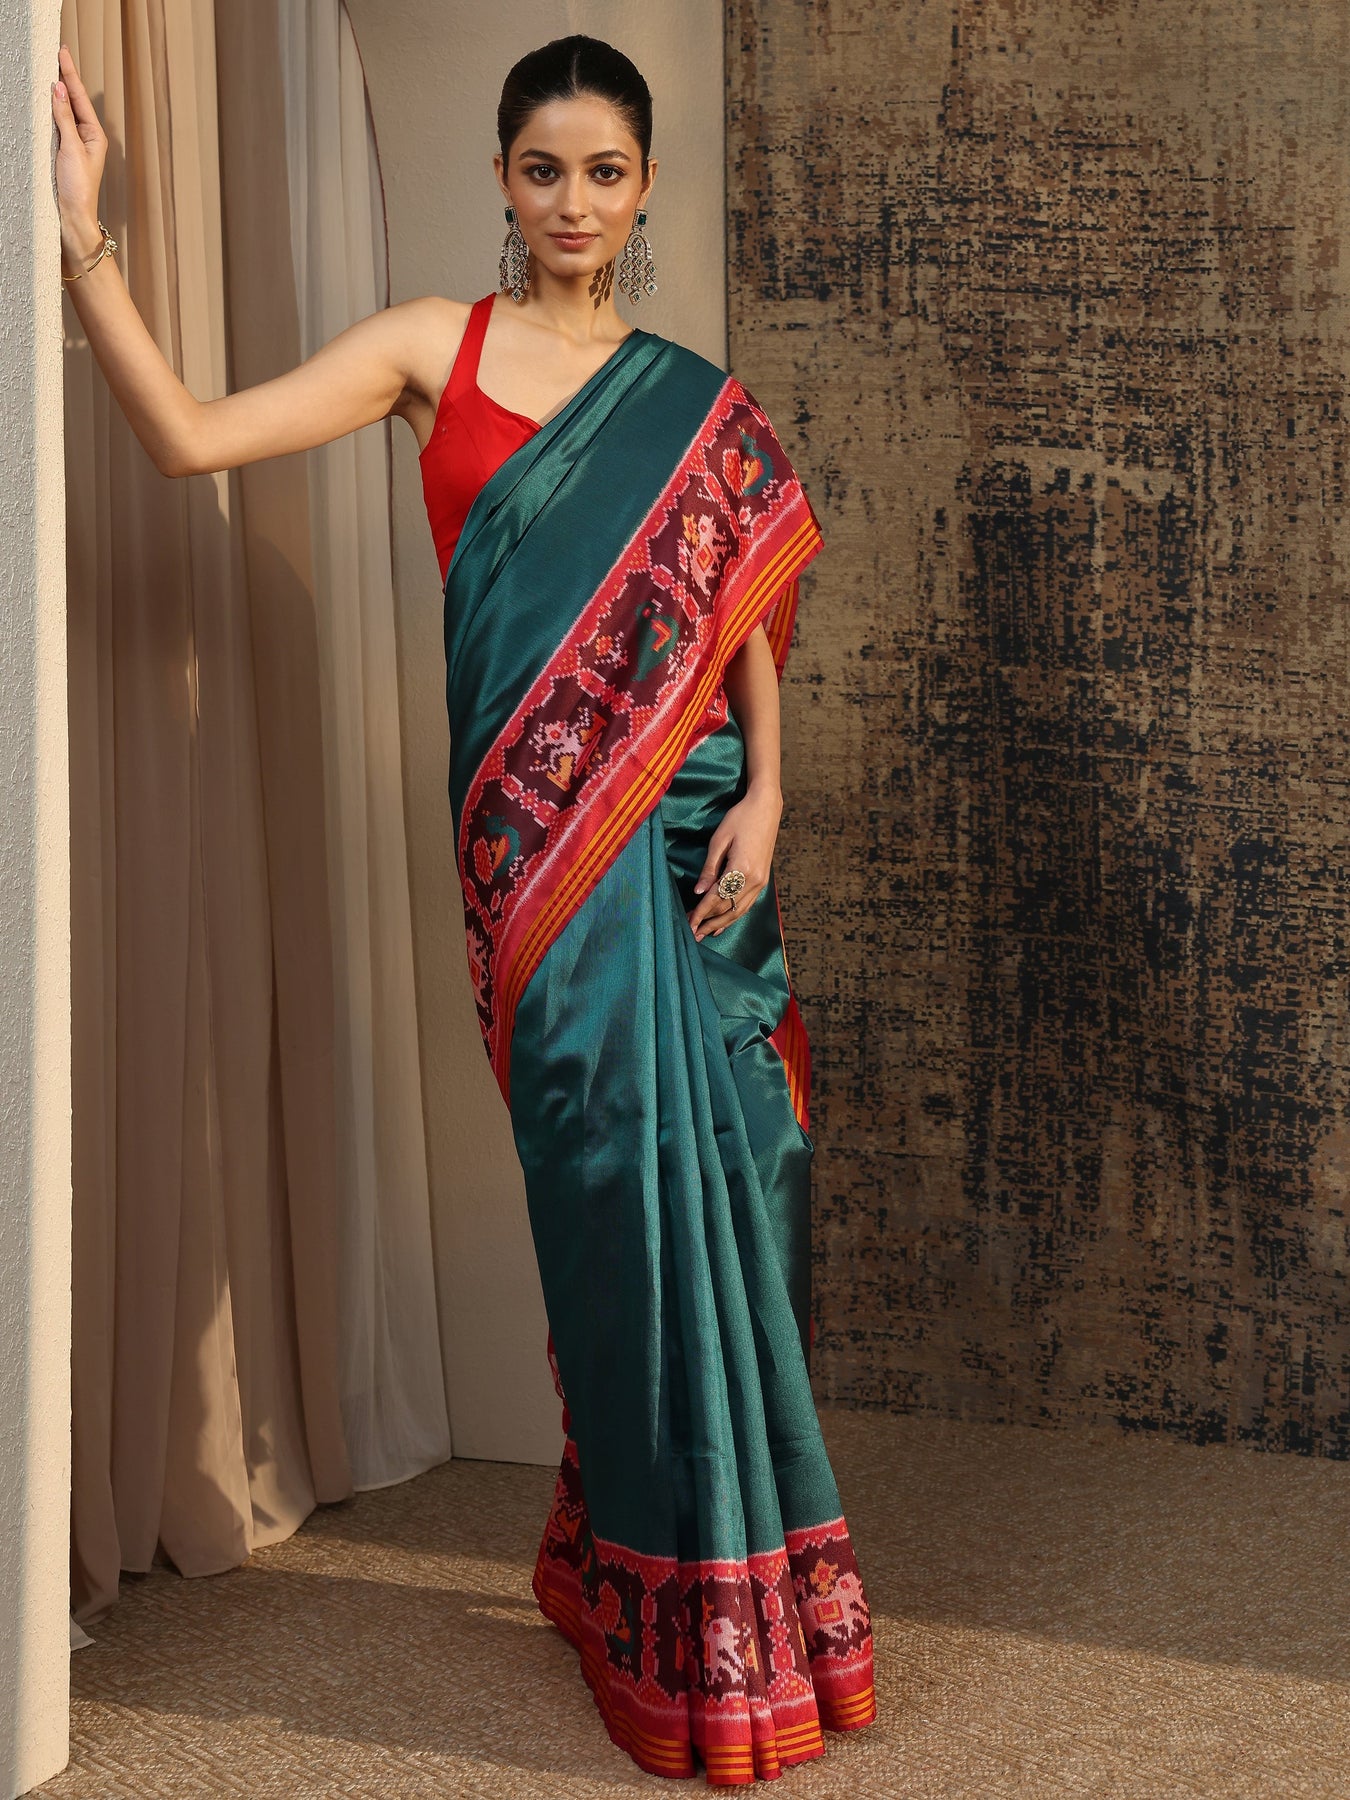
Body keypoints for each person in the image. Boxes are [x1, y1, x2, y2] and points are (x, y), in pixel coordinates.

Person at [51, 30, 877, 1785]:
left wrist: (773, 794)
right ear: (500, 177)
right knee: (611, 1202)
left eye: (604, 172)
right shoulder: (434, 347)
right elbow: (192, 438)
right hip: (541, 863)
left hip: (696, 840)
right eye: (541, 169)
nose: (573, 201)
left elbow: (739, 612)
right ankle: (657, 1605)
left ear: (642, 190)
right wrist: (83, 243)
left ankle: (719, 1580)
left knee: (746, 1179)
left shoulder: (693, 399)